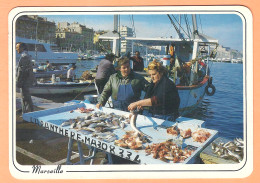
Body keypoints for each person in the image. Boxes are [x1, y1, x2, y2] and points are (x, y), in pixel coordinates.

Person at [16, 42, 35, 114]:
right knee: (26, 97)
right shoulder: (26, 55)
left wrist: (19, 81)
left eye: (17, 47)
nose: (16, 49)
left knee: (25, 97)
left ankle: (26, 114)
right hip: (26, 80)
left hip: (24, 80)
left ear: (22, 48)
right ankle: (30, 111)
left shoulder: (24, 56)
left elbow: (22, 71)